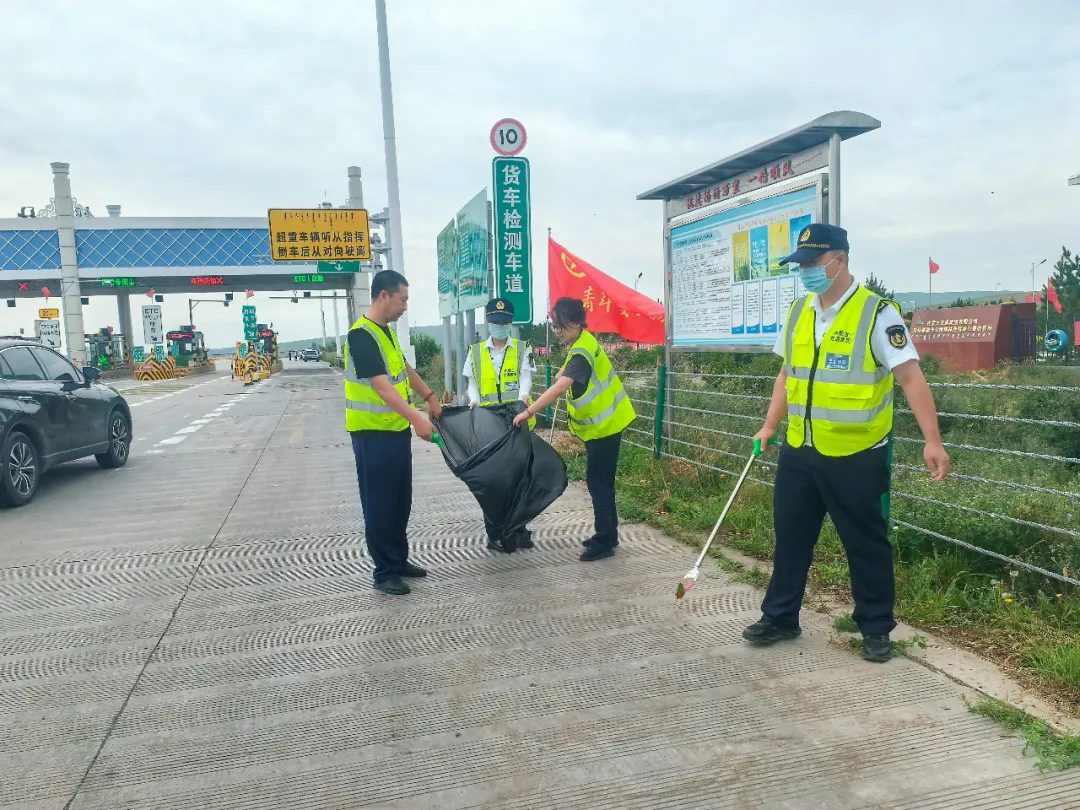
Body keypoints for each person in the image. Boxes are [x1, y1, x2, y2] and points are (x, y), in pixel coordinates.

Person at [743, 223, 950, 662]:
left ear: (840, 260)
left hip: (857, 454)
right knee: (791, 537)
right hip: (800, 448)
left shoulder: (878, 314)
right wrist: (769, 425)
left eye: (813, 265)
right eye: (801, 266)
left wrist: (932, 441)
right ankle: (781, 617)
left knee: (865, 542)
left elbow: (910, 377)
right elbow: (787, 374)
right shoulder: (800, 311)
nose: (806, 273)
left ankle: (875, 628)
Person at [513, 297, 636, 562]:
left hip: (605, 426)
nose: (557, 331)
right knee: (602, 482)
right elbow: (567, 375)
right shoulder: (582, 342)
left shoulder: (580, 351)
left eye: (560, 326)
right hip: (605, 425)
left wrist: (528, 411)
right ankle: (609, 534)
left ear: (577, 322)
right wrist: (562, 374)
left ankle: (604, 542)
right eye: (554, 326)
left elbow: (560, 387)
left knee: (598, 483)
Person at [345, 270, 443, 596]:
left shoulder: (385, 333)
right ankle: (384, 571)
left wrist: (429, 396)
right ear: (384, 296)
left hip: (395, 432)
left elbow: (404, 369)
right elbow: (383, 389)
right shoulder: (361, 336)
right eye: (402, 300)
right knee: (380, 506)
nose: (404, 307)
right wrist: (418, 419)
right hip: (372, 436)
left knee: (401, 503)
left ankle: (399, 561)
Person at [464, 297, 537, 553]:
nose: (499, 326)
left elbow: (525, 377)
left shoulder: (521, 348)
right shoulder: (475, 351)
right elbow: (471, 382)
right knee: (493, 480)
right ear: (488, 321)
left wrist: (524, 397)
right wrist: (473, 400)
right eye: (495, 321)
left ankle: (520, 528)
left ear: (510, 323)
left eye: (504, 322)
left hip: (516, 419)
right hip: (487, 421)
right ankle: (495, 533)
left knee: (520, 477)